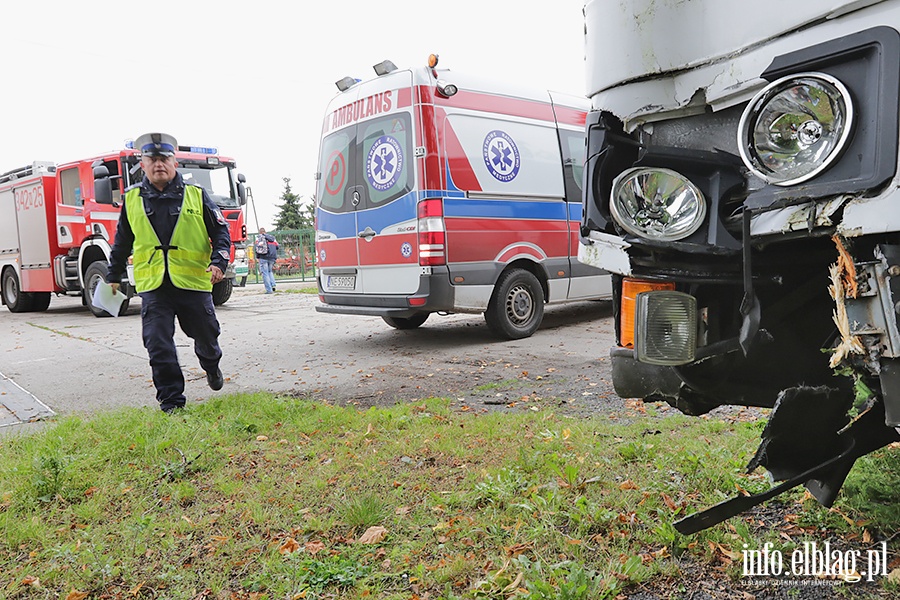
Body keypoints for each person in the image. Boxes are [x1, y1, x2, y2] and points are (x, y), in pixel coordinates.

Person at [106, 132, 232, 413]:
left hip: (193, 284)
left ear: (175, 162)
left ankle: (211, 366)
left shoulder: (196, 195)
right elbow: (121, 240)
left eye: (164, 158)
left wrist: (219, 262)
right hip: (154, 287)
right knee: (158, 344)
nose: (158, 164)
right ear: (143, 163)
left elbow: (221, 232)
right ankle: (172, 402)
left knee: (207, 337)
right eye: (152, 159)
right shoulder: (133, 199)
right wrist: (113, 275)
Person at [256, 227, 279, 294]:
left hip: (263, 257)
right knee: (270, 271)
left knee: (265, 273)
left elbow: (257, 248)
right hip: (272, 258)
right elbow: (277, 246)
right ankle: (273, 285)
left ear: (260, 232)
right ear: (265, 232)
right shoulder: (272, 238)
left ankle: (269, 290)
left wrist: (258, 257)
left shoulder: (259, 238)